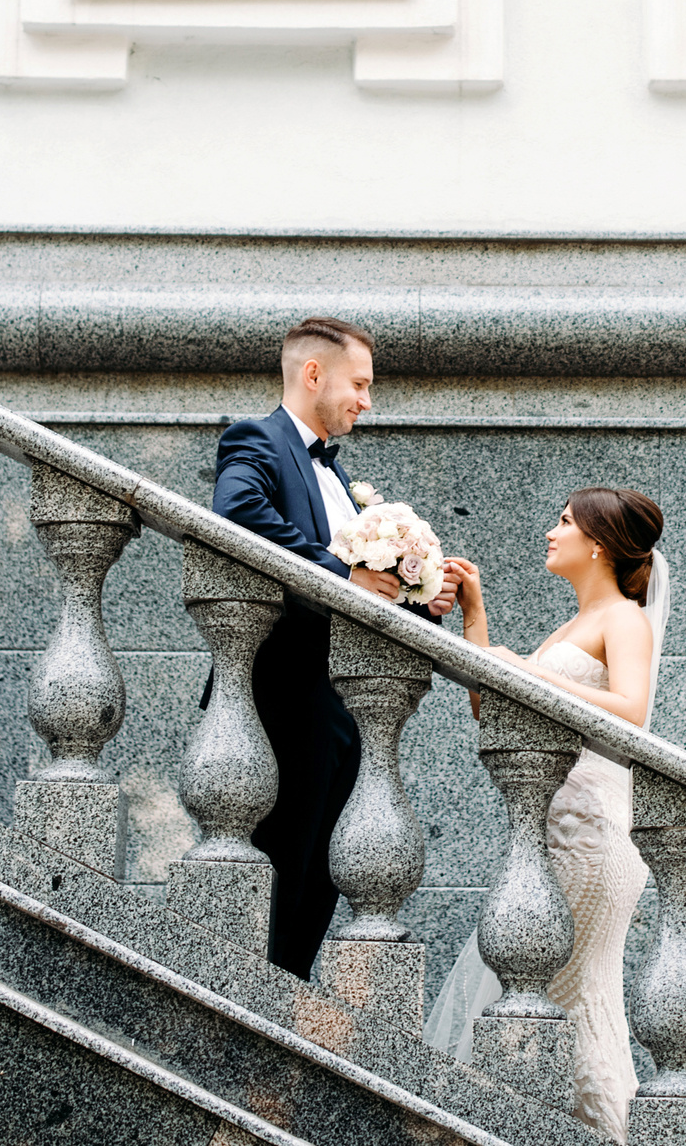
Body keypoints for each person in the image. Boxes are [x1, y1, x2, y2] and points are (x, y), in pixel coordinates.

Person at [210, 316, 466, 979]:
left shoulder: (338, 473)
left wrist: (418, 597)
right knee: (283, 866)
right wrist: (339, 569)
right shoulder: (257, 441)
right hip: (286, 696)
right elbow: (237, 511)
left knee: (321, 876)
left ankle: (284, 998)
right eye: (359, 383)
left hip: (344, 704)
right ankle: (256, 1005)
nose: (367, 400)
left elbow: (359, 587)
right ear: (314, 373)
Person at [424, 487, 669, 1143]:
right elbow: (493, 706)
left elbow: (631, 712)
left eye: (564, 522)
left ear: (597, 543)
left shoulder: (623, 618)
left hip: (591, 835)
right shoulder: (567, 628)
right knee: (539, 1003)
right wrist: (477, 620)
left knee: (579, 1002)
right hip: (546, 833)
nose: (551, 531)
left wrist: (525, 673)